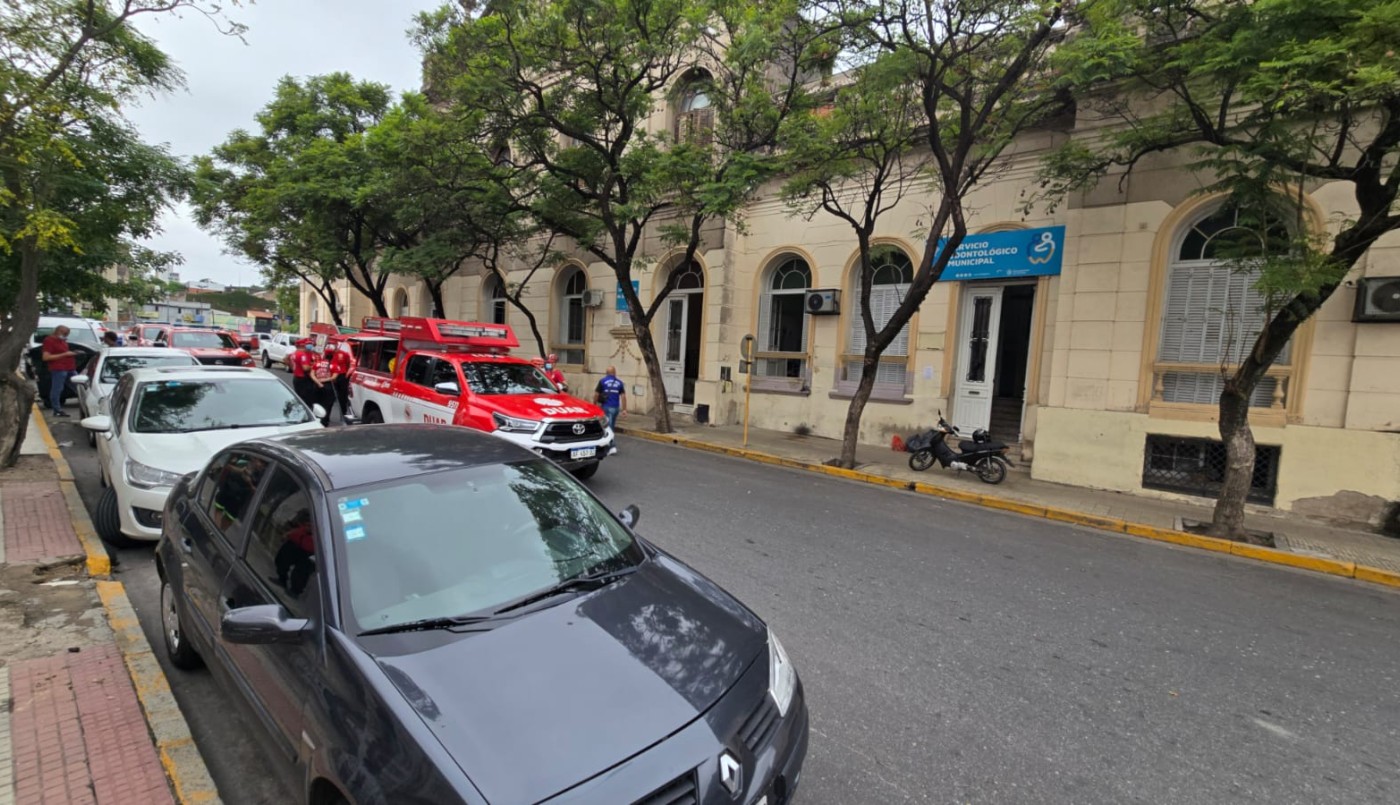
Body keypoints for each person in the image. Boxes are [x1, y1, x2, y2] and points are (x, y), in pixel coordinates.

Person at [41, 326, 78, 417]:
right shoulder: (49, 341)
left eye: (67, 335)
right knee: (57, 389)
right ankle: (57, 410)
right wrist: (65, 354)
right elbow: (46, 357)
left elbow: (63, 351)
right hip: (58, 368)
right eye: (64, 334)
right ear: (58, 331)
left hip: (69, 367)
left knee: (79, 386)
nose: (65, 336)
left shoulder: (62, 341)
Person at [326, 342, 353, 423]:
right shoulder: (328, 353)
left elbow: (348, 364)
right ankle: (326, 417)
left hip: (341, 376)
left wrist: (344, 373)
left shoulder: (344, 354)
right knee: (330, 397)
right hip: (332, 376)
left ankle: (343, 415)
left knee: (342, 397)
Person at [289, 341, 319, 412]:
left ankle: (298, 411)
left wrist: (293, 368)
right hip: (303, 378)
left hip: (296, 377)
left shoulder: (294, 353)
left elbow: (286, 359)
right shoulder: (302, 355)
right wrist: (314, 366)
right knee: (306, 398)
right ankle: (307, 412)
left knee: (298, 397)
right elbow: (305, 368)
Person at [595, 365, 626, 432]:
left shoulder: (602, 381)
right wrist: (624, 409)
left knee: (608, 426)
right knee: (612, 424)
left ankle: (610, 438)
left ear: (606, 373)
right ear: (615, 372)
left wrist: (594, 404)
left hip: (606, 406)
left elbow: (596, 394)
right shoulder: (620, 382)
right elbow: (623, 396)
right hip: (616, 407)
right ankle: (610, 436)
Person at [310, 348, 335, 426]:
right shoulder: (334, 365)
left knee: (316, 403)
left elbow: (312, 374)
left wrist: (318, 382)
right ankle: (324, 421)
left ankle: (315, 419)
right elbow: (334, 377)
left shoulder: (317, 364)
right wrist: (324, 380)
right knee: (327, 404)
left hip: (316, 385)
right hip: (328, 386)